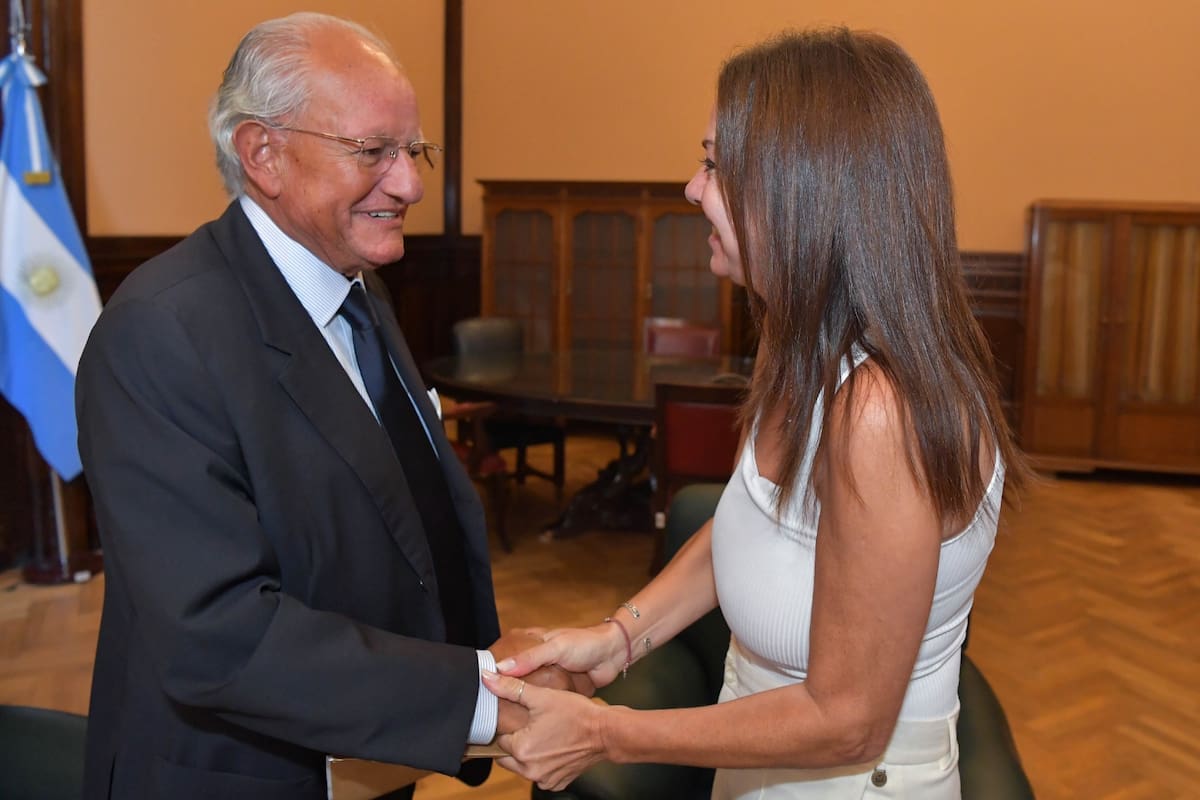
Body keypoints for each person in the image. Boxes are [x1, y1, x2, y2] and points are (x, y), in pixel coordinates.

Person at [484, 27, 1028, 799]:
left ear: (802, 188)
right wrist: (618, 639)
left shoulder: (880, 411)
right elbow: (749, 525)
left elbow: (848, 721)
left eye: (714, 164)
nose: (692, 188)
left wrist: (605, 731)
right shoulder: (799, 344)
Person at [75, 13, 581, 800]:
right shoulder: (161, 332)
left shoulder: (358, 286)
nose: (410, 182)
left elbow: (396, 515)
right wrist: (479, 700)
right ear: (263, 153)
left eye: (413, 150)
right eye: (372, 150)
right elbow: (216, 634)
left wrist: (484, 666)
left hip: (371, 750)